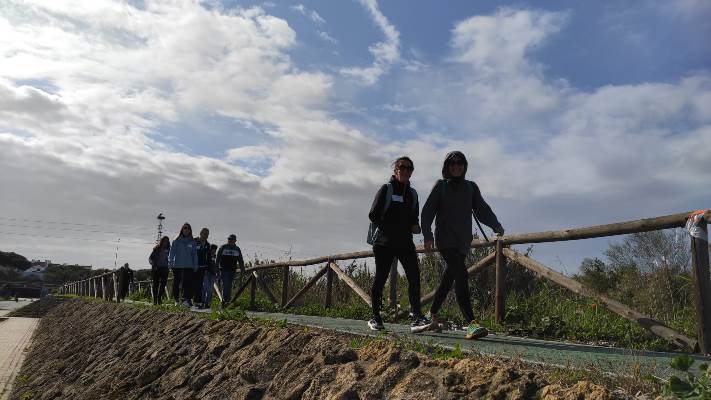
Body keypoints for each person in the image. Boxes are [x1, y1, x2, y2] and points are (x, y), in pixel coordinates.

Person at [421, 151, 505, 340]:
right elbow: (427, 212)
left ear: (465, 166)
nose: (456, 166)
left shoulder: (471, 187)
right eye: (452, 163)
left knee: (448, 278)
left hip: (462, 242)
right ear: (447, 167)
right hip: (445, 239)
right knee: (461, 274)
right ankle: (471, 323)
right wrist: (427, 234)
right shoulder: (441, 186)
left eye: (460, 163)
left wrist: (496, 225)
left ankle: (431, 314)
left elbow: (482, 209)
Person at [367, 156, 431, 333]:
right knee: (381, 278)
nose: (405, 171)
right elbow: (373, 214)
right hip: (384, 243)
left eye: (409, 168)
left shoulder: (413, 194)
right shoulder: (386, 189)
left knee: (414, 278)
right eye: (402, 167)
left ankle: (417, 317)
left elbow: (413, 218)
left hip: (405, 242)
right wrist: (391, 227)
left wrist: (415, 226)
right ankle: (376, 317)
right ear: (395, 169)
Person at [169, 222, 198, 307]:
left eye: (188, 228)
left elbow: (194, 254)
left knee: (187, 284)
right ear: (182, 229)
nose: (186, 230)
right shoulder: (176, 241)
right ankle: (177, 300)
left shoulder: (192, 242)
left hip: (189, 266)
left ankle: (186, 300)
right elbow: (172, 253)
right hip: (177, 265)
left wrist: (195, 265)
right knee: (176, 283)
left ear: (190, 230)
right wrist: (170, 263)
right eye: (185, 228)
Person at [216, 234, 245, 307]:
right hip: (224, 269)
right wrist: (217, 270)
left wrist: (243, 270)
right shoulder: (223, 247)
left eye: (232, 239)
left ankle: (227, 301)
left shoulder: (237, 249)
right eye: (229, 239)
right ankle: (225, 301)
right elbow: (217, 259)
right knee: (226, 285)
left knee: (229, 286)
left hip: (233, 270)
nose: (230, 240)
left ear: (235, 240)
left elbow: (240, 260)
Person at [149, 236, 171, 305]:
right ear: (162, 241)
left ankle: (159, 297)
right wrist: (153, 265)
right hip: (157, 268)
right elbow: (150, 258)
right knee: (155, 284)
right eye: (164, 241)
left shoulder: (169, 249)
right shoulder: (156, 248)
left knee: (163, 284)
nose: (165, 242)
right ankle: (155, 299)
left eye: (167, 241)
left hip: (165, 268)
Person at [193, 227, 211, 308]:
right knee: (192, 283)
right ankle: (187, 300)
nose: (205, 235)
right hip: (193, 266)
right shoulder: (194, 241)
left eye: (207, 234)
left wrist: (208, 267)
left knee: (199, 284)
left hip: (202, 267)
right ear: (200, 233)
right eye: (204, 233)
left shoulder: (208, 245)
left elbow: (209, 257)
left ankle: (197, 301)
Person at [201, 244, 219, 309]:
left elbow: (216, 265)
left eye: (215, 250)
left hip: (213, 274)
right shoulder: (206, 255)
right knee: (205, 287)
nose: (213, 251)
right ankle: (202, 301)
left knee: (210, 289)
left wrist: (217, 273)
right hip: (206, 273)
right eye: (212, 249)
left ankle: (207, 303)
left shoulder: (215, 256)